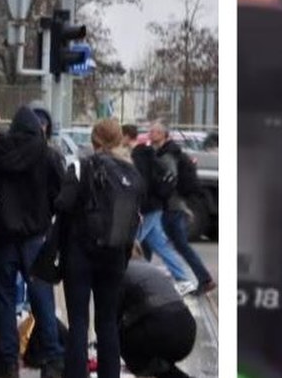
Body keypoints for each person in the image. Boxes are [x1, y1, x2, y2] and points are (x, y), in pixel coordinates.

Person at [54, 118, 144, 378]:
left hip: (79, 255)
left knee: (78, 322)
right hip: (114, 255)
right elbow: (136, 217)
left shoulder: (81, 167)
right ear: (119, 140)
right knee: (107, 322)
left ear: (93, 141)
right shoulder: (131, 173)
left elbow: (62, 204)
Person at [0, 106, 65, 378]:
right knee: (42, 299)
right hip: (35, 239)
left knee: (4, 299)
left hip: (1, 237)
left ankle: (6, 360)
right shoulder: (48, 155)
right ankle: (52, 358)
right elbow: (60, 197)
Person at [128, 126, 195, 295]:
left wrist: (139, 206)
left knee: (130, 243)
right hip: (156, 204)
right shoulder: (149, 154)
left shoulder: (138, 155)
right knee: (160, 246)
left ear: (126, 138)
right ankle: (183, 280)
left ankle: (132, 280)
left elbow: (142, 183)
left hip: (149, 207)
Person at [151, 122, 215, 295]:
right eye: (151, 131)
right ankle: (200, 278)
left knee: (177, 244)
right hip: (173, 205)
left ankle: (204, 279)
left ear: (163, 135)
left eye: (155, 131)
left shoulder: (167, 154)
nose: (151, 134)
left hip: (171, 206)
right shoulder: (166, 152)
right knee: (165, 243)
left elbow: (171, 178)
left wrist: (161, 193)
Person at [119, 248, 197, 378]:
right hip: (188, 332)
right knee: (157, 358)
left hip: (162, 334)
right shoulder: (151, 269)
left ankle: (144, 372)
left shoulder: (122, 272)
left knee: (120, 335)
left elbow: (111, 319)